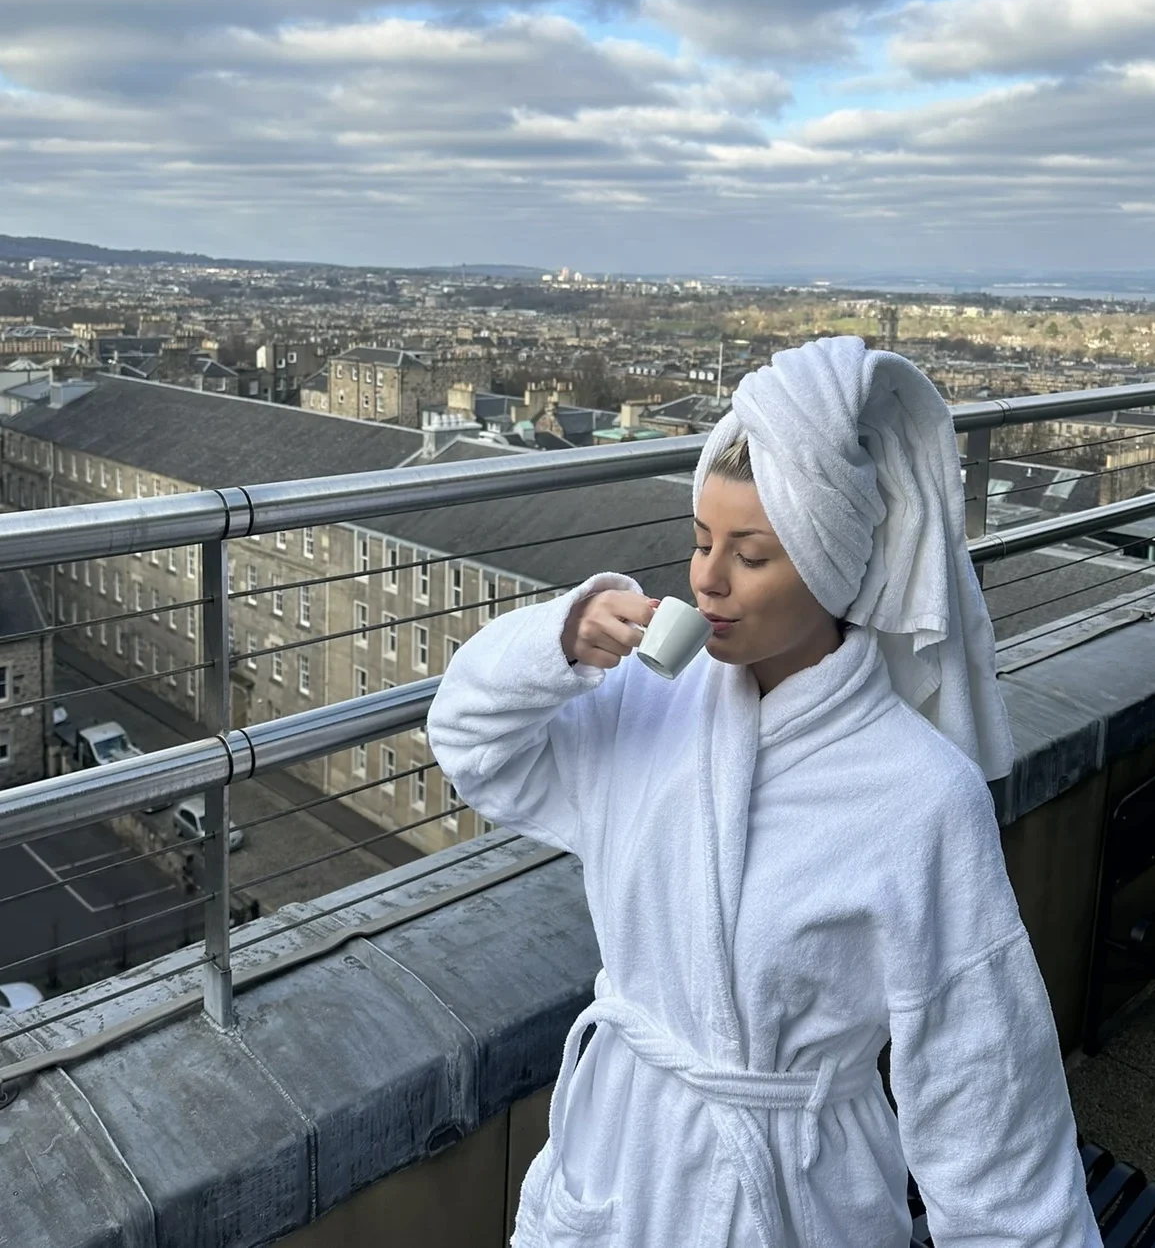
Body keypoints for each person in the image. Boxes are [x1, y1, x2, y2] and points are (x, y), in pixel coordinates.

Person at [427, 336, 1101, 1248]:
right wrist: (557, 640)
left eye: (751, 554)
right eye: (702, 540)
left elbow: (981, 1088)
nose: (705, 577)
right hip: (621, 1163)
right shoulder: (645, 706)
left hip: (795, 1190)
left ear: (829, 567)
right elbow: (471, 745)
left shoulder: (919, 794)